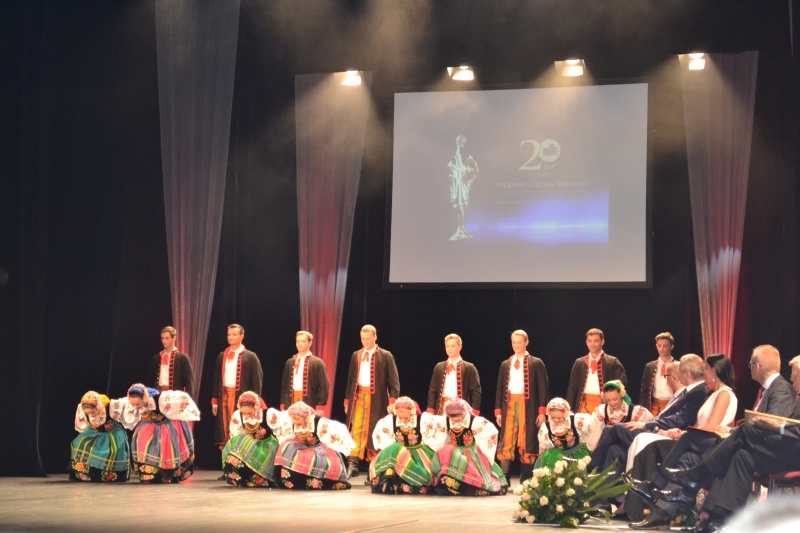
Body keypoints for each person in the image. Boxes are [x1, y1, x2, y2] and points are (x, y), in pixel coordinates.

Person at [628, 355, 800, 533]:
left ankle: (691, 479)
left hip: (791, 451)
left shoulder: (730, 393)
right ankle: (713, 519)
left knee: (741, 432)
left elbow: (789, 428)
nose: (791, 377)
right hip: (776, 446)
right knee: (740, 455)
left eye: (795, 374)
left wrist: (777, 427)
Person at [626, 353, 737, 524]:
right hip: (699, 443)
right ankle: (659, 513)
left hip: (714, 445)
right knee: (684, 457)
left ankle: (652, 485)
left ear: (714, 371)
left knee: (684, 439)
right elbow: (698, 427)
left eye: (707, 368)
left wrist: (683, 434)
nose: (704, 372)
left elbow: (710, 428)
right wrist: (680, 432)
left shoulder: (725, 394)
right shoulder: (713, 394)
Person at [588, 354, 709, 484]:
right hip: (659, 431)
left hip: (665, 435)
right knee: (615, 449)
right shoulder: (691, 391)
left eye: (680, 372)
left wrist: (646, 426)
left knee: (615, 429)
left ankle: (589, 468)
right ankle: (603, 491)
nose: (678, 376)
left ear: (688, 374)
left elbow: (679, 420)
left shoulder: (698, 392)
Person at [110, 383, 200, 483]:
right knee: (141, 443)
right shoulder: (131, 401)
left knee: (165, 449)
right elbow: (116, 404)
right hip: (149, 426)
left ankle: (166, 475)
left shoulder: (160, 399)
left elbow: (182, 397)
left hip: (165, 427)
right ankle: (147, 474)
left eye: (137, 404)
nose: (135, 407)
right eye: (133, 404)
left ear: (144, 399)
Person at [343, 324, 400, 479]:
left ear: (375, 337)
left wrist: (392, 402)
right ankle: (353, 464)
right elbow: (350, 380)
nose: (365, 341)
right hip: (358, 396)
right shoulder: (356, 355)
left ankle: (373, 468)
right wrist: (347, 401)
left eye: (368, 338)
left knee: (374, 430)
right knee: (356, 428)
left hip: (377, 399)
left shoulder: (385, 355)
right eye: (363, 339)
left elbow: (394, 381)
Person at [494, 329, 549, 483]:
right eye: (514, 342)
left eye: (519, 342)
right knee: (507, 438)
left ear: (526, 342)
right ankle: (504, 478)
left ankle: (526, 478)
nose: (516, 345)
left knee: (528, 439)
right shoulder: (506, 364)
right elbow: (500, 389)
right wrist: (498, 411)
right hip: (509, 404)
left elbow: (543, 388)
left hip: (528, 406)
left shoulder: (536, 363)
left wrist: (542, 412)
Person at [425, 397, 507, 496]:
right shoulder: (445, 421)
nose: (455, 421)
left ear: (464, 412)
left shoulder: (475, 421)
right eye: (452, 418)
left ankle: (468, 486)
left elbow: (491, 432)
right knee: (447, 452)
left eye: (458, 418)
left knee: (470, 469)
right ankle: (451, 485)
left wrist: (484, 451)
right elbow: (437, 434)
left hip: (470, 453)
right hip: (454, 451)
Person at [268, 401, 354, 490]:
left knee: (314, 459)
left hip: (318, 449)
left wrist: (346, 447)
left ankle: (317, 480)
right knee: (285, 446)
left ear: (306, 418)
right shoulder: (291, 423)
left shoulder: (318, 422)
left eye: (299, 423)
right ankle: (291, 480)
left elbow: (339, 430)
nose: (296, 425)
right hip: (301, 446)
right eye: (294, 423)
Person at [369, 396, 436, 494]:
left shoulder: (421, 420)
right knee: (394, 448)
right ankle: (390, 482)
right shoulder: (391, 421)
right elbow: (381, 435)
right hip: (399, 453)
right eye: (400, 417)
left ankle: (407, 484)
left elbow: (439, 425)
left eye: (406, 418)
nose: (403, 420)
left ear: (412, 412)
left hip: (417, 454)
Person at [211, 324, 263, 448]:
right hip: (224, 395)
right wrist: (215, 402)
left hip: (240, 397)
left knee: (239, 424)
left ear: (241, 336)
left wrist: (255, 404)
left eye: (234, 334)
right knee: (224, 426)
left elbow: (257, 381)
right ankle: (227, 452)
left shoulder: (250, 356)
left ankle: (239, 451)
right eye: (229, 335)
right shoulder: (222, 356)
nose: (231, 337)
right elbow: (217, 379)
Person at [69, 390, 130, 482]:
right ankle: (84, 473)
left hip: (112, 433)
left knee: (112, 450)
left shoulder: (110, 406)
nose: (90, 415)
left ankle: (107, 474)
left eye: (92, 412)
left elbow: (127, 401)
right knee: (80, 442)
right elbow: (82, 426)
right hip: (95, 433)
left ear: (98, 407)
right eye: (87, 413)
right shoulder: (81, 409)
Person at [221, 391, 278, 487]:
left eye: (249, 413)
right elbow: (235, 436)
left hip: (266, 448)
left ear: (256, 407)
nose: (246, 416)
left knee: (246, 441)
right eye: (244, 413)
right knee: (237, 441)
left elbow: (280, 433)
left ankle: (260, 477)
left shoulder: (268, 414)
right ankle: (241, 475)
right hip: (249, 447)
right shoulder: (238, 416)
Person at [566, 328, 627, 414]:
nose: (592, 344)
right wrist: (569, 409)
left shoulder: (612, 362)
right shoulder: (579, 362)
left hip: (603, 404)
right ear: (586, 342)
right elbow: (572, 389)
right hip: (583, 404)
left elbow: (621, 384)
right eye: (590, 341)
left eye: (596, 341)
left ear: (602, 342)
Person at [581, 380, 654, 451]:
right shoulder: (601, 412)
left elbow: (651, 429)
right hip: (609, 452)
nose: (612, 403)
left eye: (615, 399)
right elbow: (595, 436)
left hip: (629, 450)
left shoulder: (637, 412)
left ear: (621, 395)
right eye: (608, 400)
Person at [427, 333, 481, 415]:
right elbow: (433, 390)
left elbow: (475, 391)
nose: (450, 349)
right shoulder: (439, 367)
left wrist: (474, 412)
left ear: (460, 347)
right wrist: (430, 410)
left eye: (453, 346)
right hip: (442, 408)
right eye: (447, 346)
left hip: (461, 409)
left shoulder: (469, 367)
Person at [279, 331, 330, 414]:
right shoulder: (289, 362)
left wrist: (320, 407)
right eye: (298, 341)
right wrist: (283, 404)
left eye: (303, 341)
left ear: (310, 343)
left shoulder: (317, 363)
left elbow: (324, 386)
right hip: (291, 401)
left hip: (309, 402)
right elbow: (284, 386)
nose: (300, 344)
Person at [535, 397, 591, 469]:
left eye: (559, 418)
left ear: (565, 414)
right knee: (549, 455)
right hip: (560, 456)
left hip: (577, 454)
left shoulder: (575, 420)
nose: (556, 420)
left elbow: (591, 431)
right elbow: (544, 446)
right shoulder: (546, 428)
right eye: (553, 417)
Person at [148, 326, 194, 399]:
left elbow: (189, 384)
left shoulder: (183, 359)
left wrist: (187, 400)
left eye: (167, 338)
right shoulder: (155, 359)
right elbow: (151, 382)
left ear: (174, 338)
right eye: (162, 338)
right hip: (158, 396)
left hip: (175, 398)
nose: (164, 341)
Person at [447, 135, 479, 240]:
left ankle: (461, 228)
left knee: (462, 209)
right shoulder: (461, 167)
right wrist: (458, 147)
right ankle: (460, 229)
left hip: (464, 191)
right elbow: (457, 158)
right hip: (458, 190)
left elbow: (476, 172)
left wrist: (475, 163)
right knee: (460, 209)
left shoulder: (468, 171)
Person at [639, 332, 676, 416]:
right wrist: (642, 409)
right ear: (656, 346)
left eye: (665, 346)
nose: (662, 349)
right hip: (655, 407)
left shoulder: (677, 366)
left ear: (671, 347)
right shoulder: (650, 366)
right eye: (659, 346)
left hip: (673, 406)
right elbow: (644, 391)